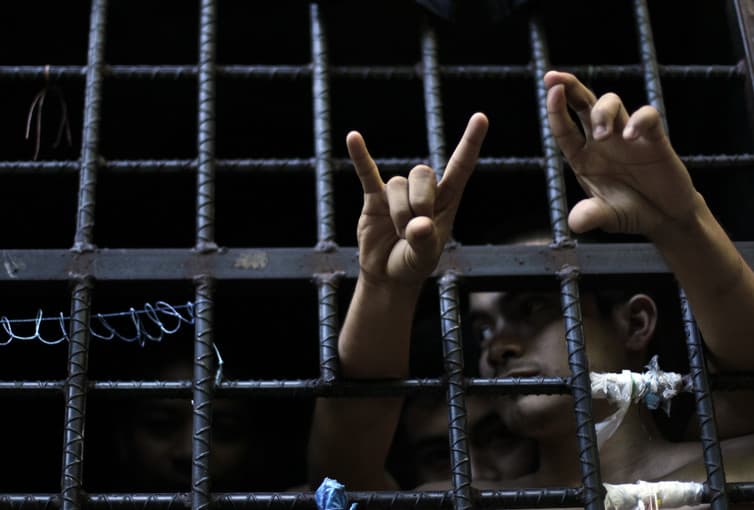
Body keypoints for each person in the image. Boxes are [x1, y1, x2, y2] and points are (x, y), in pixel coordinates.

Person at [306, 71, 754, 494]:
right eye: (481, 329)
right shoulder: (468, 500)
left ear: (635, 322)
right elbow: (339, 484)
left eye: (533, 308)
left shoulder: (729, 471)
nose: (496, 347)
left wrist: (683, 224)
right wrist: (385, 289)